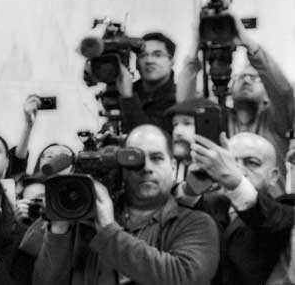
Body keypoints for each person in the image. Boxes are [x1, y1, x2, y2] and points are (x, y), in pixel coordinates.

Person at [23, 124, 219, 285]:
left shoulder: (196, 223)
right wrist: (60, 225)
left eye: (157, 158)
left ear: (174, 167)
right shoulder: (84, 218)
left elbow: (183, 277)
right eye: (136, 159)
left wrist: (108, 230)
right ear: (122, 168)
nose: (147, 168)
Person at [178, 12, 295, 192]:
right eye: (241, 77)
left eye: (255, 78)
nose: (247, 80)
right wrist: (195, 48)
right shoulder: (218, 117)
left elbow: (283, 92)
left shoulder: (275, 121)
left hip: (270, 209)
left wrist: (248, 43)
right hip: (225, 208)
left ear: (267, 93)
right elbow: (185, 107)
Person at [186, 132, 295, 285]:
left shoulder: (286, 207)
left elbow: (268, 218)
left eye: (251, 162)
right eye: (230, 161)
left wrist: (235, 182)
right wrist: (196, 181)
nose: (238, 170)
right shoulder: (209, 205)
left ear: (274, 176)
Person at [116, 32, 177, 134]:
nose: (149, 60)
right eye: (143, 55)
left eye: (157, 55)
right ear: (136, 63)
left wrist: (128, 98)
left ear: (171, 60)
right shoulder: (122, 91)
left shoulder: (181, 99)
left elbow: (149, 140)